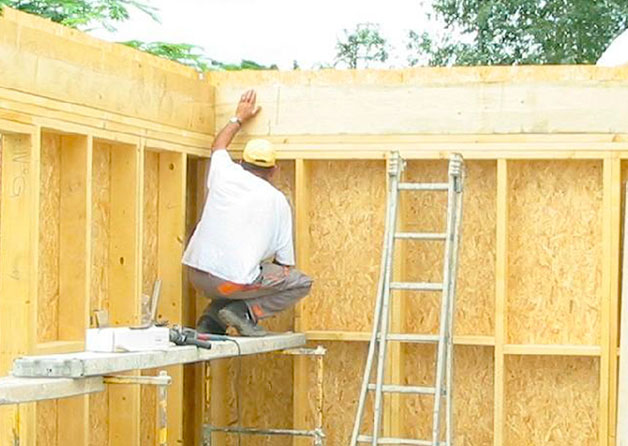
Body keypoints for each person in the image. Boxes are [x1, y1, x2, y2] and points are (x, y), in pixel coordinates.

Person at [182, 89, 312, 337]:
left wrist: (239, 117)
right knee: (299, 282)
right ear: (273, 171)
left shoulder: (226, 173)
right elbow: (284, 264)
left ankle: (212, 320)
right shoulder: (278, 202)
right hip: (231, 285)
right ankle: (243, 313)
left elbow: (218, 145)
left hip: (197, 275)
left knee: (242, 272)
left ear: (241, 163)